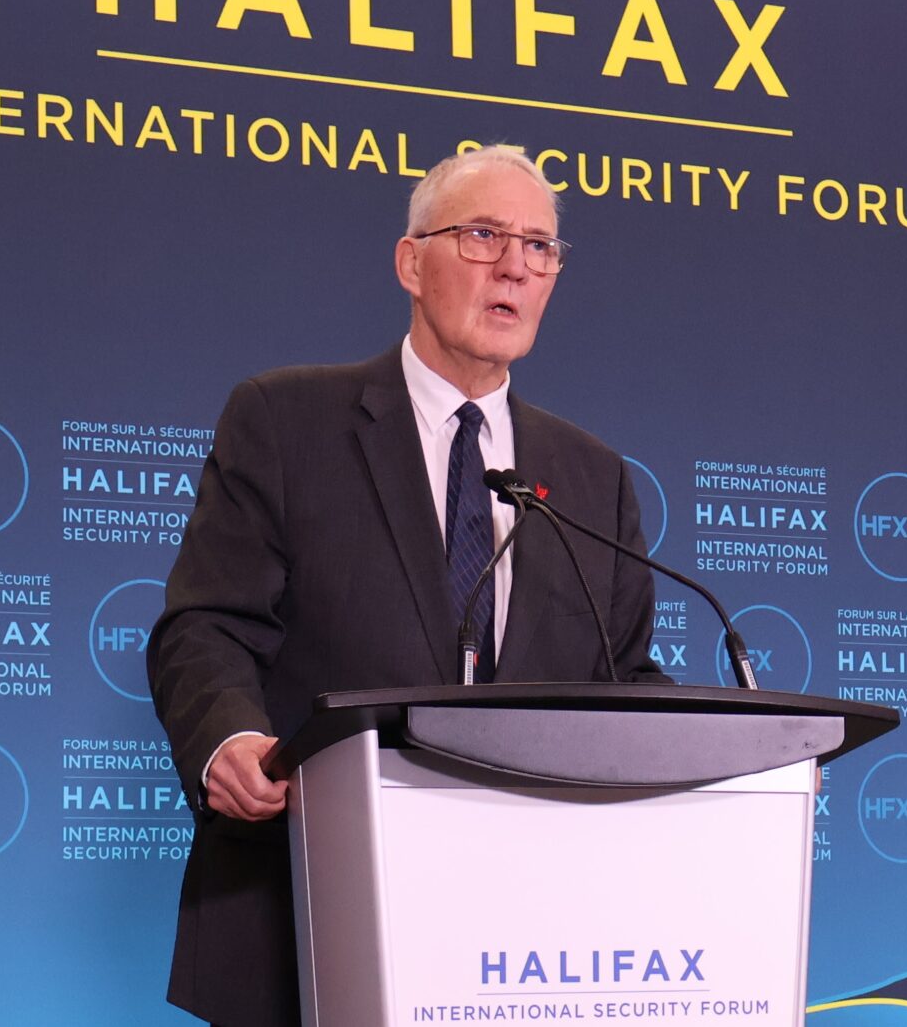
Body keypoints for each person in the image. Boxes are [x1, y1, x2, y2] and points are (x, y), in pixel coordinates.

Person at [147, 145, 665, 1027]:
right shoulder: (286, 420)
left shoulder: (592, 477)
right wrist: (229, 735)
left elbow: (623, 680)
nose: (514, 265)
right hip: (307, 913)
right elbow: (205, 625)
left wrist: (746, 764)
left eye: (539, 248)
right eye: (483, 235)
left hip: (526, 944)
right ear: (410, 263)